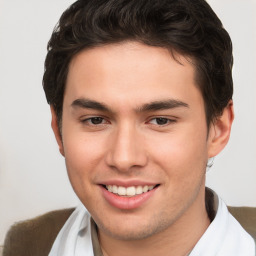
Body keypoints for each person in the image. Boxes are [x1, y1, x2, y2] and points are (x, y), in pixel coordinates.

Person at [3, 0, 256, 255]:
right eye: (96, 120)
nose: (124, 159)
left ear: (219, 128)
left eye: (160, 120)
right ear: (59, 131)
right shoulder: (23, 246)